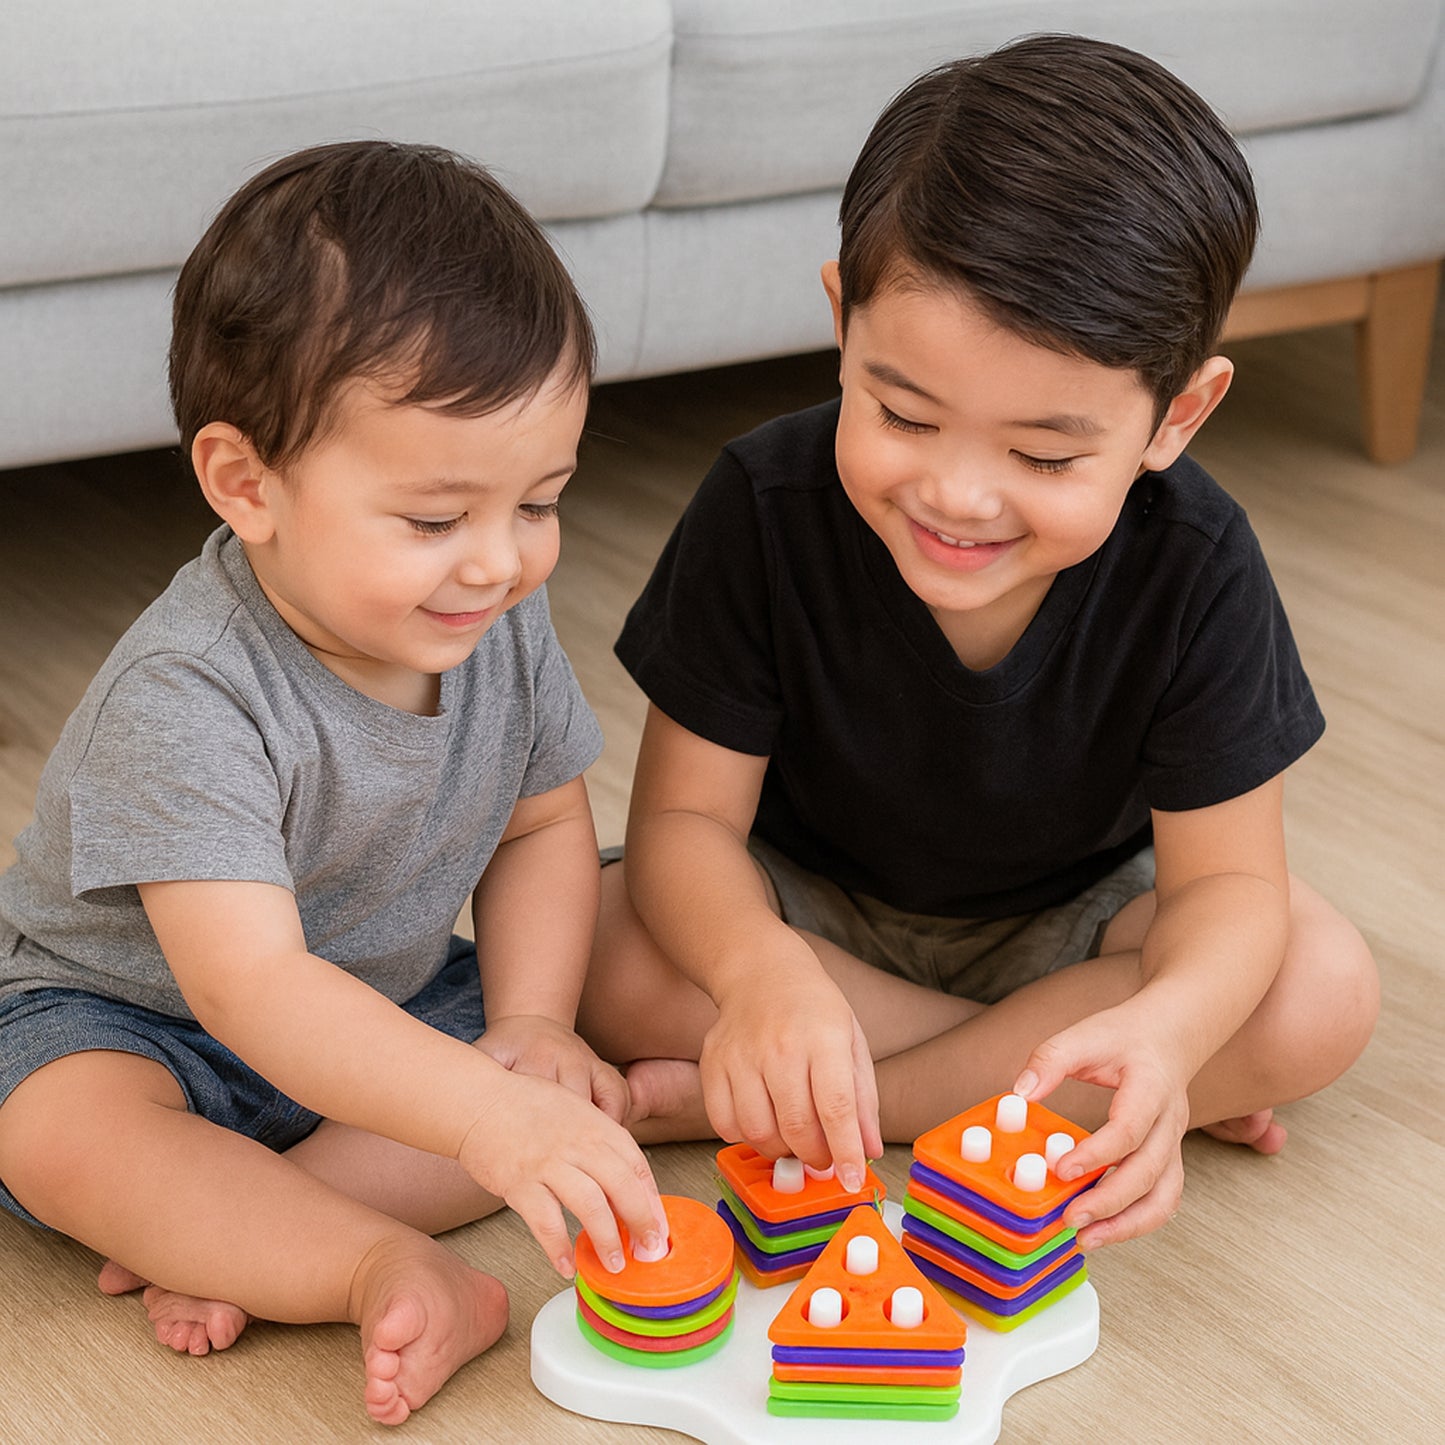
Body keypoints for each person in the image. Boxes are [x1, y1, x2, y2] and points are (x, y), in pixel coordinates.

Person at [579, 36, 1378, 1253]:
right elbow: (687, 827)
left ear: (1178, 414)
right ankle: (1021, 1083)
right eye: (901, 413)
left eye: (1044, 456)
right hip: (815, 916)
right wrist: (760, 979)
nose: (957, 495)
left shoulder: (1197, 560)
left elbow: (1224, 888)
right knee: (592, 940)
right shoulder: (760, 501)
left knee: (1316, 988)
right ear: (841, 316)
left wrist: (1165, 1030)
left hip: (1078, 923)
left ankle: (840, 1105)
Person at [0, 140, 667, 1427]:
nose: (498, 562)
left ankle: (240, 1228)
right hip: (140, 1025)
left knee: (569, 1024)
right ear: (247, 483)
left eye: (539, 501)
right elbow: (245, 985)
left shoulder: (489, 620)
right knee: (56, 1127)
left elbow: (541, 823)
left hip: (386, 1001)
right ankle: (370, 1263)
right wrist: (486, 1113)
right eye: (432, 521)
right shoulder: (188, 694)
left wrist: (525, 1026)